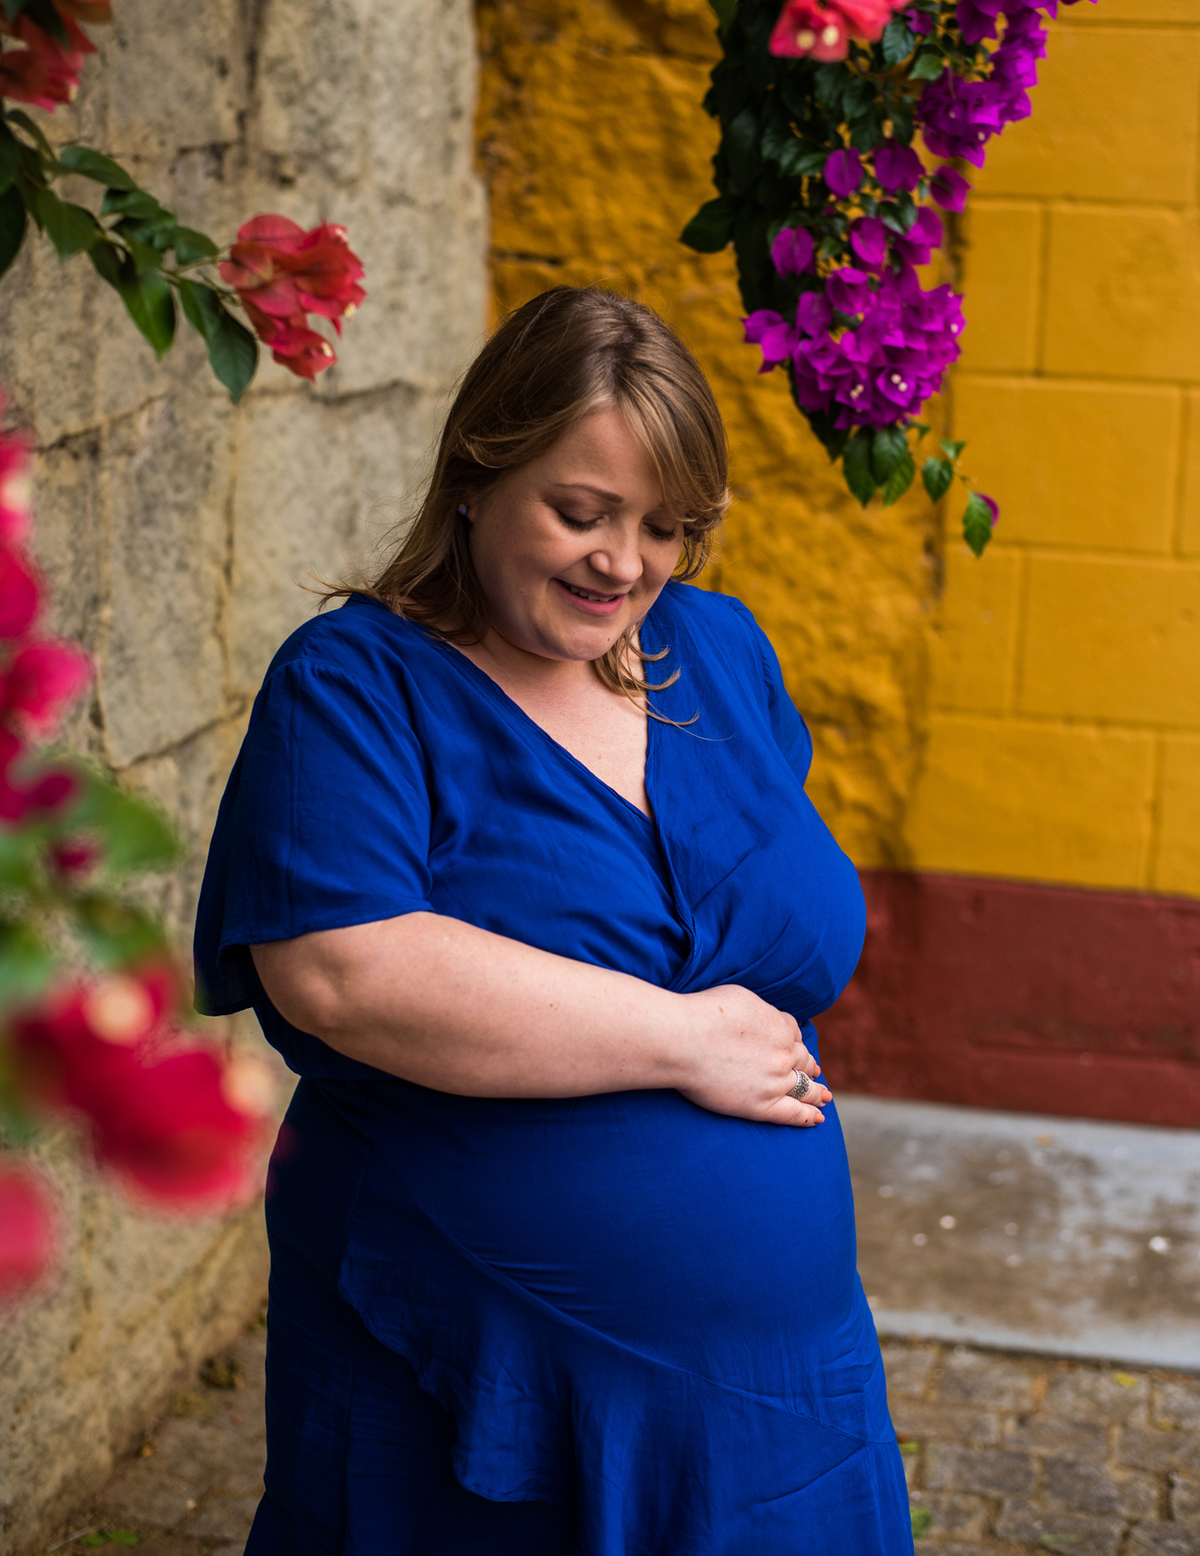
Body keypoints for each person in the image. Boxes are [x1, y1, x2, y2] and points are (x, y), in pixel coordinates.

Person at [193, 285, 913, 1556]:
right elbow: (341, 972)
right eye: (580, 512)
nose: (624, 563)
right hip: (471, 1378)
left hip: (775, 1398)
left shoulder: (715, 649)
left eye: (665, 526)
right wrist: (684, 1041)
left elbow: (787, 898)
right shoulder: (354, 686)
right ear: (476, 475)